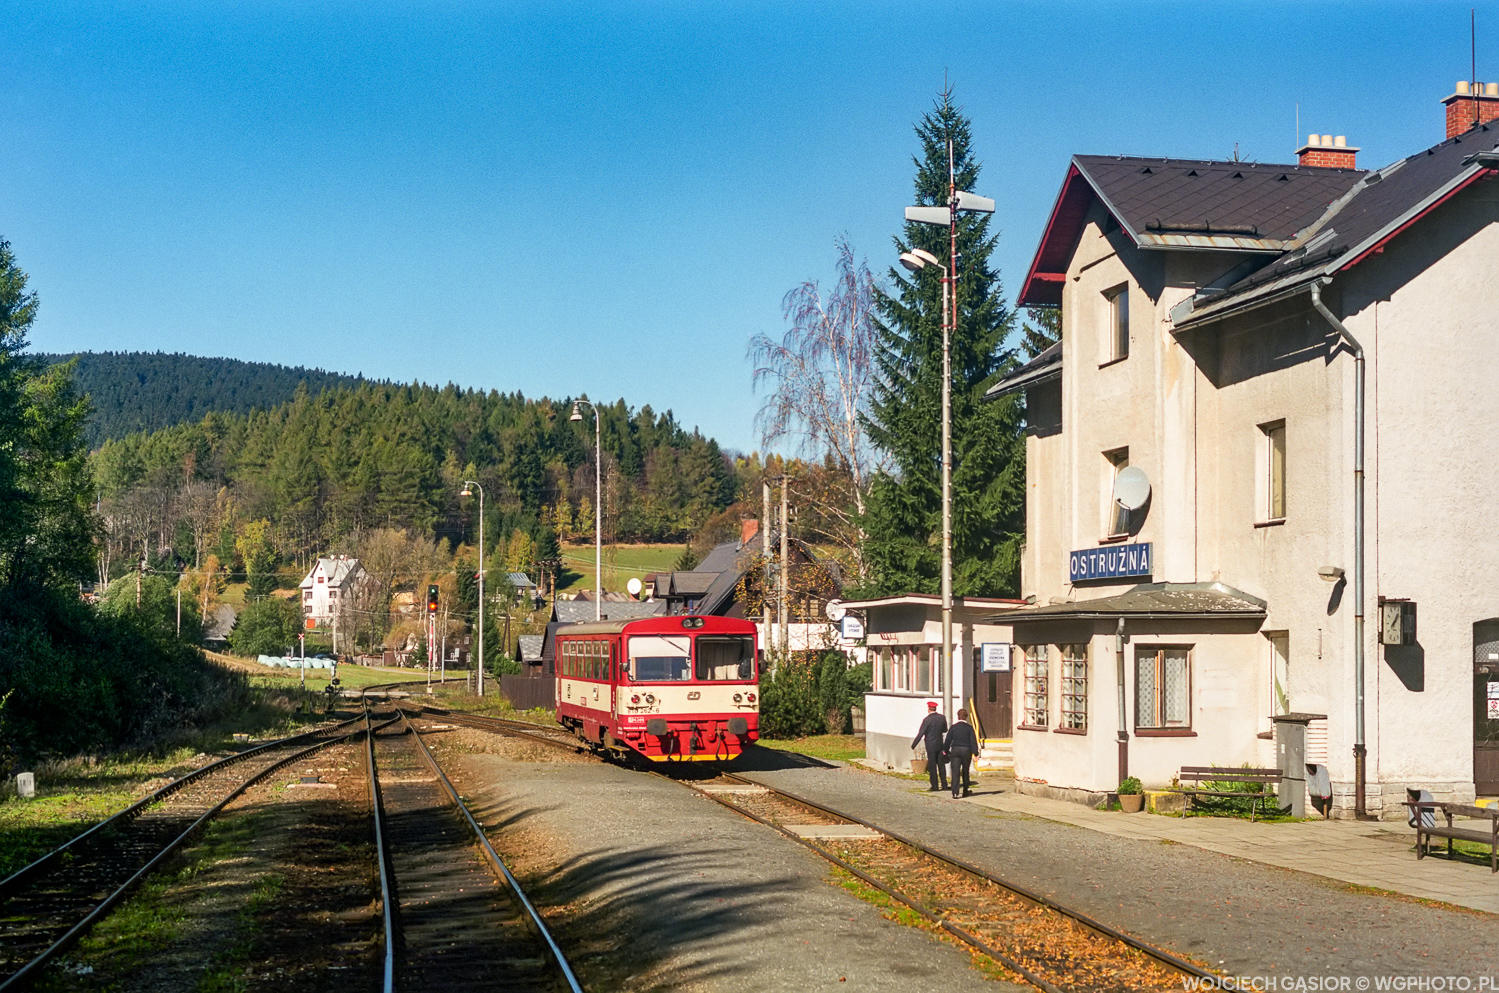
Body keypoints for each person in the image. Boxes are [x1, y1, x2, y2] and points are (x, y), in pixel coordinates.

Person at [910, 701, 948, 792]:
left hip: (930, 745)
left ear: (928, 709)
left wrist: (914, 745)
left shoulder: (927, 720)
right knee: (941, 765)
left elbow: (921, 733)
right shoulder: (942, 718)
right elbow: (945, 730)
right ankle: (944, 784)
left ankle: (935, 786)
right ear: (935, 708)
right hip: (939, 744)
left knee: (932, 765)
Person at [943, 708, 978, 798]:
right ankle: (965, 790)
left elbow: (948, 740)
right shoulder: (969, 728)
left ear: (958, 716)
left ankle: (955, 792)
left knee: (955, 771)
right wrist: (975, 753)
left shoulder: (954, 727)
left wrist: (945, 750)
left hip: (956, 750)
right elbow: (973, 741)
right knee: (965, 771)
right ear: (966, 717)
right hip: (966, 750)